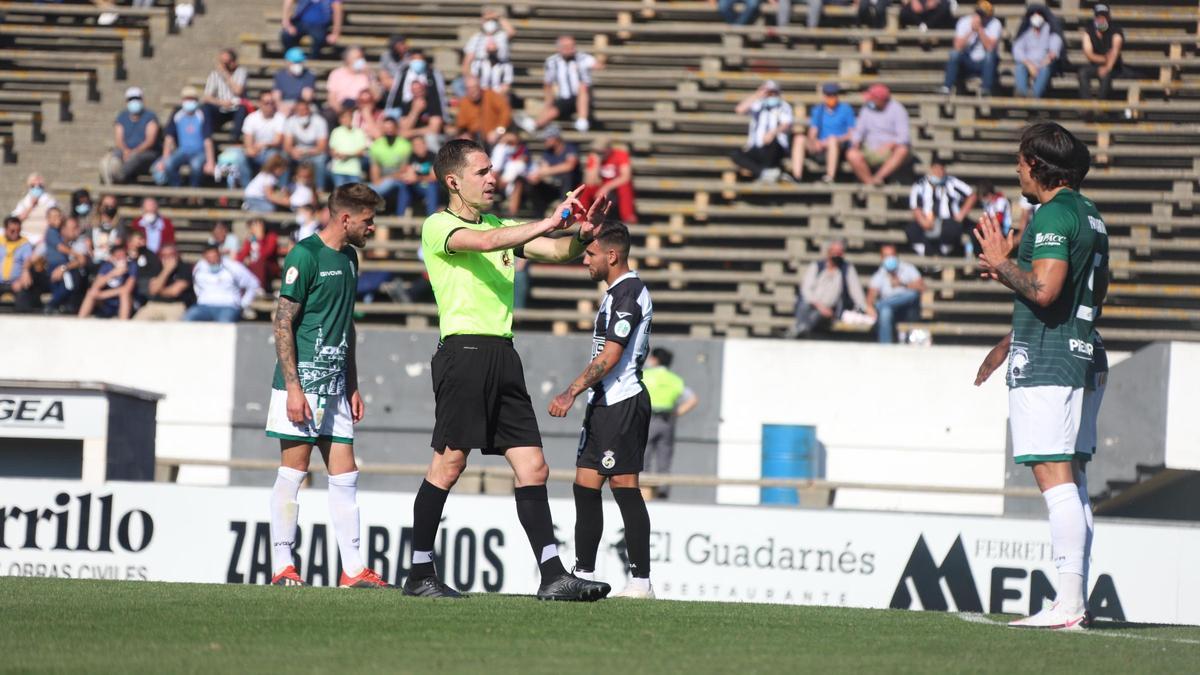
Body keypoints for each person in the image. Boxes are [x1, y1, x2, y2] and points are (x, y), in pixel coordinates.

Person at [405, 138, 612, 600]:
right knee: (449, 464)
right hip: (463, 354)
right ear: (454, 181)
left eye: (492, 169)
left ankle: (553, 575)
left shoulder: (503, 224)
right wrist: (548, 220)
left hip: (503, 355)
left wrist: (581, 234)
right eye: (482, 172)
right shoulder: (439, 225)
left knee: (533, 466)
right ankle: (419, 573)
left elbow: (557, 253)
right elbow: (485, 242)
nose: (493, 178)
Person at [973, 121, 1107, 630]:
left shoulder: (1052, 214)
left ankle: (1068, 604)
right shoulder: (1090, 215)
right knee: (1072, 482)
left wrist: (1003, 262)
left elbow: (1046, 292)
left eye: (1020, 160)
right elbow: (1077, 296)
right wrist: (1010, 337)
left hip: (1052, 359)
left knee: (1055, 480)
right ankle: (1073, 600)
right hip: (1081, 350)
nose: (1016, 168)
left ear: (1037, 165)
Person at [264, 189, 384, 588]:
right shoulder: (306, 255)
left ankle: (352, 570)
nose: (373, 227)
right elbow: (283, 322)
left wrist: (352, 384)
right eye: (368, 220)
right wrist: (294, 389)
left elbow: (345, 323)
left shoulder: (350, 257)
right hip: (303, 386)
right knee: (293, 472)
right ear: (345, 219)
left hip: (336, 387)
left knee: (346, 475)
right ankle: (283, 566)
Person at [547, 219, 655, 599]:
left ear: (612, 255)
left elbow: (610, 356)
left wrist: (570, 392)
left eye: (590, 253)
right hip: (603, 403)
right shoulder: (615, 293)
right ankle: (584, 572)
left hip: (622, 402)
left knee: (624, 485)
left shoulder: (628, 295)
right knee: (585, 485)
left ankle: (641, 581)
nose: (584, 260)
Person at [641, 347, 698, 500]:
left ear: (654, 360)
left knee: (643, 458)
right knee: (664, 460)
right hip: (667, 421)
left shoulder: (645, 375)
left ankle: (644, 494)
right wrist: (676, 413)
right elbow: (692, 399)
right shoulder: (674, 379)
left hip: (647, 420)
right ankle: (662, 493)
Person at [790, 238, 868, 338]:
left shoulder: (846, 269)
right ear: (828, 252)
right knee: (804, 305)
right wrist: (819, 305)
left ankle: (799, 331)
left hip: (830, 310)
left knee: (817, 315)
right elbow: (806, 290)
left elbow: (856, 293)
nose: (836, 255)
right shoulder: (817, 266)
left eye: (839, 252)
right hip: (814, 304)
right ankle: (801, 330)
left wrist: (865, 308)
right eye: (834, 252)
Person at [524, 36, 597, 133]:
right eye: (566, 46)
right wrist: (548, 103)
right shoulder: (552, 61)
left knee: (582, 87)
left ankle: (582, 120)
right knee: (555, 109)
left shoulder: (583, 58)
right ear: (559, 48)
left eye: (572, 46)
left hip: (583, 97)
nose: (570, 49)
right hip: (565, 98)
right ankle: (535, 124)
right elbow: (547, 84)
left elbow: (598, 65)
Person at [907, 158, 976, 257]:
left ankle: (944, 253)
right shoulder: (919, 185)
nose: (939, 172)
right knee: (912, 230)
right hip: (927, 220)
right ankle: (925, 255)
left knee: (953, 229)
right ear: (930, 169)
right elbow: (915, 207)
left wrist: (961, 214)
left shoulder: (952, 182)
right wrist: (923, 221)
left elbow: (972, 195)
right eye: (936, 169)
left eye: (941, 169)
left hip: (948, 220)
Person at [847, 84, 910, 186]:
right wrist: (856, 142)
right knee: (851, 154)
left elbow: (904, 136)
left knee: (903, 150)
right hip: (870, 149)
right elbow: (859, 131)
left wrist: (890, 144)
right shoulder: (866, 109)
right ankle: (870, 182)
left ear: (880, 99)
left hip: (890, 150)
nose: (869, 101)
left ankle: (879, 177)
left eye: (872, 99)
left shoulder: (898, 109)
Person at [731, 80, 793, 183]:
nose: (771, 95)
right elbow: (739, 109)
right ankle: (763, 173)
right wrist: (757, 95)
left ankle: (769, 173)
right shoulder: (757, 104)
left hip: (775, 148)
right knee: (735, 154)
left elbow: (786, 124)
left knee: (771, 144)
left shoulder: (783, 106)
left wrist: (772, 133)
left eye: (773, 92)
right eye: (768, 92)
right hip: (757, 147)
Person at [154, 86, 216, 188]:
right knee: (169, 164)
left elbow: (207, 140)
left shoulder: (202, 114)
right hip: (182, 151)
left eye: (192, 99)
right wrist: (165, 159)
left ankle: (194, 191)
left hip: (199, 152)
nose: (189, 102)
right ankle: (176, 189)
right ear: (182, 100)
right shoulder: (177, 114)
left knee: (196, 166)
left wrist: (210, 162)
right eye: (187, 99)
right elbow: (169, 137)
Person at [793, 83, 855, 183]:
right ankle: (797, 176)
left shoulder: (846, 109)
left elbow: (851, 133)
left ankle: (830, 177)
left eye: (833, 94)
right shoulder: (818, 110)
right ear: (824, 95)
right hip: (821, 146)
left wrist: (836, 139)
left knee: (832, 139)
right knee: (799, 138)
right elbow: (813, 130)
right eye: (828, 94)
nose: (831, 97)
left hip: (838, 146)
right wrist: (814, 141)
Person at [185, 242, 260, 322]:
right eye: (209, 257)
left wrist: (243, 304)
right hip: (204, 306)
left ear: (219, 255)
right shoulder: (199, 268)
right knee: (188, 318)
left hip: (228, 306)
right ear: (204, 257)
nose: (212, 260)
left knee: (224, 323)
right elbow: (195, 285)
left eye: (214, 256)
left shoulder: (233, 267)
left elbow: (253, 283)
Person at [514, 124, 579, 217]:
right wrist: (537, 175)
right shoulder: (548, 152)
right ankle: (538, 215)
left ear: (555, 138)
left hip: (569, 187)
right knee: (531, 183)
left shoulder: (569, 148)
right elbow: (543, 169)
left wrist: (547, 171)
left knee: (567, 176)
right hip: (553, 186)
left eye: (547, 138)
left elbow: (570, 166)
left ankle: (564, 212)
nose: (544, 141)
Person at [865, 245, 924, 343]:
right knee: (885, 312)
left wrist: (903, 284)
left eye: (892, 255)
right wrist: (870, 308)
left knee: (913, 295)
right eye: (886, 256)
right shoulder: (879, 275)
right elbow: (870, 299)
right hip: (891, 311)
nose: (889, 258)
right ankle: (886, 348)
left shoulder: (908, 268)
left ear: (896, 256)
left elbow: (922, 287)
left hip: (909, 309)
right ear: (882, 258)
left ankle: (882, 305)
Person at [942, 1, 1002, 96]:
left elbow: (990, 47)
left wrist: (980, 30)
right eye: (978, 13)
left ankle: (985, 89)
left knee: (990, 55)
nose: (980, 16)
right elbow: (957, 47)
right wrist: (971, 31)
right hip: (968, 61)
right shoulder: (964, 22)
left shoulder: (995, 23)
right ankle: (947, 87)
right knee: (954, 54)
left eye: (982, 14)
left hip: (985, 63)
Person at [107, 86, 161, 184]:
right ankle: (111, 183)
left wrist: (135, 151)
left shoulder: (150, 117)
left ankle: (119, 178)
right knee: (111, 160)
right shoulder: (122, 117)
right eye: (131, 99)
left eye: (137, 98)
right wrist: (125, 150)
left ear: (142, 100)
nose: (134, 101)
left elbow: (150, 140)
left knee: (136, 158)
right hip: (126, 150)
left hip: (146, 152)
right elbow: (119, 139)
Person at [578, 136, 637, 224]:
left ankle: (628, 216)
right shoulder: (593, 157)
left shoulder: (620, 155)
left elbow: (625, 176)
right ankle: (581, 219)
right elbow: (590, 181)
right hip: (599, 187)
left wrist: (607, 187)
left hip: (614, 189)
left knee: (625, 186)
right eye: (596, 151)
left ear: (608, 148)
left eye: (601, 151)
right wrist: (596, 164)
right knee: (584, 188)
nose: (598, 153)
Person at [238, 91, 287, 189]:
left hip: (272, 151)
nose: (269, 106)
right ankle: (248, 189)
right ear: (260, 103)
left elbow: (277, 141)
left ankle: (274, 189)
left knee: (274, 156)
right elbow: (248, 142)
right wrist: (251, 150)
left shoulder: (280, 118)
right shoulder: (251, 118)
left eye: (272, 103)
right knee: (240, 158)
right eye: (266, 103)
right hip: (256, 151)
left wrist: (262, 145)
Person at [1012, 5, 1064, 99]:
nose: (1036, 17)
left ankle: (1034, 96)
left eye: (1038, 15)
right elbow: (1017, 48)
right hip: (1028, 63)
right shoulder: (1026, 30)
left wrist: (1042, 64)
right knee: (1020, 67)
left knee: (1045, 69)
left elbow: (1054, 48)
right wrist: (1029, 64)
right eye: (1034, 15)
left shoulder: (1050, 29)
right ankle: (1022, 94)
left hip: (1044, 63)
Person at [77, 238, 136, 320]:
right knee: (91, 292)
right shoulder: (107, 266)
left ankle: (123, 323)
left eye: (123, 256)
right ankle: (80, 321)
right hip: (106, 301)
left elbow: (127, 289)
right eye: (118, 256)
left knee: (124, 295)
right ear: (112, 257)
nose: (121, 258)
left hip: (122, 301)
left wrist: (102, 295)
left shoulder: (131, 266)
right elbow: (96, 285)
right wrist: (113, 274)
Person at [1078, 4, 1125, 102]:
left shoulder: (1116, 31)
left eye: (1104, 17)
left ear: (1108, 18)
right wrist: (1105, 58)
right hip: (1095, 65)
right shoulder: (1089, 31)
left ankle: (1100, 107)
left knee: (1106, 75)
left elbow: (1115, 52)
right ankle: (1087, 106)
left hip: (1114, 67)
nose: (1101, 20)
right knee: (1082, 73)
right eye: (1099, 17)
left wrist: (1108, 66)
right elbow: (1089, 54)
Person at [133, 243, 193, 321]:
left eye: (171, 255)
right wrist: (166, 271)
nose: (167, 258)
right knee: (136, 322)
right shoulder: (156, 267)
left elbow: (174, 292)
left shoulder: (184, 267)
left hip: (175, 305)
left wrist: (159, 289)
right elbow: (152, 291)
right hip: (154, 304)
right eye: (164, 255)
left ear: (177, 255)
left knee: (172, 326)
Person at [368, 115, 413, 215]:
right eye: (386, 129)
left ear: (396, 128)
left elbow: (403, 171)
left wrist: (385, 179)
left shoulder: (405, 145)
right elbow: (375, 171)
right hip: (383, 181)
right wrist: (379, 181)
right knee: (372, 187)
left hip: (399, 180)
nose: (389, 131)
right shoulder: (376, 146)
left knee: (387, 185)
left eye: (391, 128)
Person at [283, 98, 330, 192]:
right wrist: (292, 151)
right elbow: (287, 145)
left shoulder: (319, 121)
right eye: (299, 110)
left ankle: (319, 188)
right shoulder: (290, 121)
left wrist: (306, 151)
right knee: (284, 156)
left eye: (304, 109)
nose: (302, 112)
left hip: (314, 152)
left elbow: (322, 146)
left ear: (309, 109)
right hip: (297, 151)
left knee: (321, 159)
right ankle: (284, 187)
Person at [202, 48, 249, 142]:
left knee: (242, 109)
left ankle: (234, 139)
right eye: (222, 62)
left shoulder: (241, 72)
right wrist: (221, 103)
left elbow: (238, 91)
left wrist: (226, 74)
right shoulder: (214, 74)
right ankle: (207, 138)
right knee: (205, 108)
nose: (224, 65)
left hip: (236, 107)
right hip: (221, 107)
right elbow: (206, 97)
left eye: (226, 62)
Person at [453, 76, 511, 147]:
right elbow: (461, 125)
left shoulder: (491, 95)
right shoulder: (464, 102)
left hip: (497, 138)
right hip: (475, 140)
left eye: (475, 87)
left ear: (479, 87)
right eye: (469, 88)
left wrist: (498, 132)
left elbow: (506, 113)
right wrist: (465, 135)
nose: (473, 91)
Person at [461, 6, 515, 78]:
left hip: (498, 72)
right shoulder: (476, 37)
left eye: (492, 20)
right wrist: (468, 78)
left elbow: (511, 32)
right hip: (480, 73)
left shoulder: (501, 36)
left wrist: (498, 17)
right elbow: (467, 61)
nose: (490, 22)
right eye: (487, 20)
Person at [0, 217, 38, 312]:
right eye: (12, 231)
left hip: (16, 282)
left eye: (18, 230)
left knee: (23, 304)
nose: (15, 233)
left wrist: (24, 273)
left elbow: (27, 260)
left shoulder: (24, 244)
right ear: (5, 229)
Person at [237, 218, 282, 297]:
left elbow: (265, 255)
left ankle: (258, 287)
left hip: (269, 268)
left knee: (260, 262)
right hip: (254, 269)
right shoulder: (250, 240)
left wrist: (260, 239)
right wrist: (246, 260)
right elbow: (241, 257)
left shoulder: (271, 237)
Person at [10, 173, 58, 246]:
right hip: (24, 235)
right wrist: (31, 206)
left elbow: (53, 221)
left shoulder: (50, 201)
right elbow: (17, 219)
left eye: (39, 186)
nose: (36, 188)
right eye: (33, 186)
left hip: (42, 236)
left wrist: (44, 237)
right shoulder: (24, 202)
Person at [326, 47, 376, 117]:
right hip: (342, 107)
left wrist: (370, 77)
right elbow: (332, 98)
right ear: (348, 59)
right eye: (357, 58)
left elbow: (376, 96)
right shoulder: (336, 74)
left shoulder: (368, 75)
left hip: (361, 108)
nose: (361, 61)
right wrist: (342, 112)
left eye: (362, 58)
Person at [329, 109, 370, 188]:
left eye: (349, 117)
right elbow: (332, 150)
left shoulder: (359, 132)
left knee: (355, 196)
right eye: (344, 117)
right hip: (338, 169)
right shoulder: (336, 131)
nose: (346, 120)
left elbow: (361, 151)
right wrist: (338, 155)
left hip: (354, 170)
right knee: (340, 196)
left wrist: (347, 155)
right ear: (340, 119)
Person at [273, 47, 317, 115]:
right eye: (295, 62)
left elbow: (307, 97)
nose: (297, 64)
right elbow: (276, 96)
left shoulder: (309, 75)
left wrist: (295, 107)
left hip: (302, 104)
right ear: (287, 62)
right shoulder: (280, 75)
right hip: (285, 104)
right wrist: (281, 106)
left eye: (299, 62)